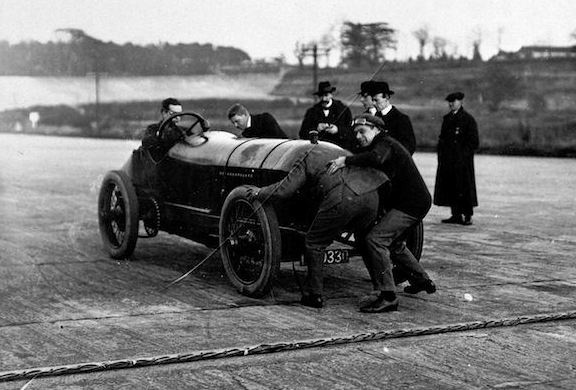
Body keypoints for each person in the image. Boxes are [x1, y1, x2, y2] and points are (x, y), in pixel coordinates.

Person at [248, 145, 389, 309]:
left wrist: (260, 192)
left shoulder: (306, 156)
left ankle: (314, 295)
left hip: (343, 199)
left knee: (314, 242)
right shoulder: (342, 152)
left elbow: (285, 190)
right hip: (372, 198)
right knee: (364, 239)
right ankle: (382, 289)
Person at [329, 114, 436, 313]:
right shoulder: (379, 144)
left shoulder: (385, 144)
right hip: (409, 201)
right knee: (393, 243)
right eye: (356, 133)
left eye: (363, 131)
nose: (359, 136)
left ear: (376, 129)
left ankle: (388, 296)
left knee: (375, 240)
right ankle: (421, 280)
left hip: (411, 203)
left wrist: (346, 160)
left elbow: (376, 158)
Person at [433, 92, 479, 225]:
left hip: (462, 162)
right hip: (448, 160)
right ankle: (456, 215)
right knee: (452, 187)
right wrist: (441, 155)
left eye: (454, 101)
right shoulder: (447, 118)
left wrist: (462, 156)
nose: (451, 103)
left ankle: (467, 215)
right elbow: (442, 139)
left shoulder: (468, 119)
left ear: (461, 102)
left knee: (464, 187)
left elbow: (474, 142)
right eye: (450, 101)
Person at [299, 81, 354, 150]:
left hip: (339, 150)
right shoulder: (312, 112)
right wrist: (316, 129)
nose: (323, 99)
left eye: (326, 95)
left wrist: (337, 130)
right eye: (321, 96)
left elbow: (351, 133)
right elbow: (302, 134)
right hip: (319, 150)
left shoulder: (343, 110)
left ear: (331, 95)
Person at [371, 81, 416, 155]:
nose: (373, 103)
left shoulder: (401, 119)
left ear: (387, 97)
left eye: (376, 100)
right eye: (372, 100)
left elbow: (409, 147)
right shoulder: (373, 118)